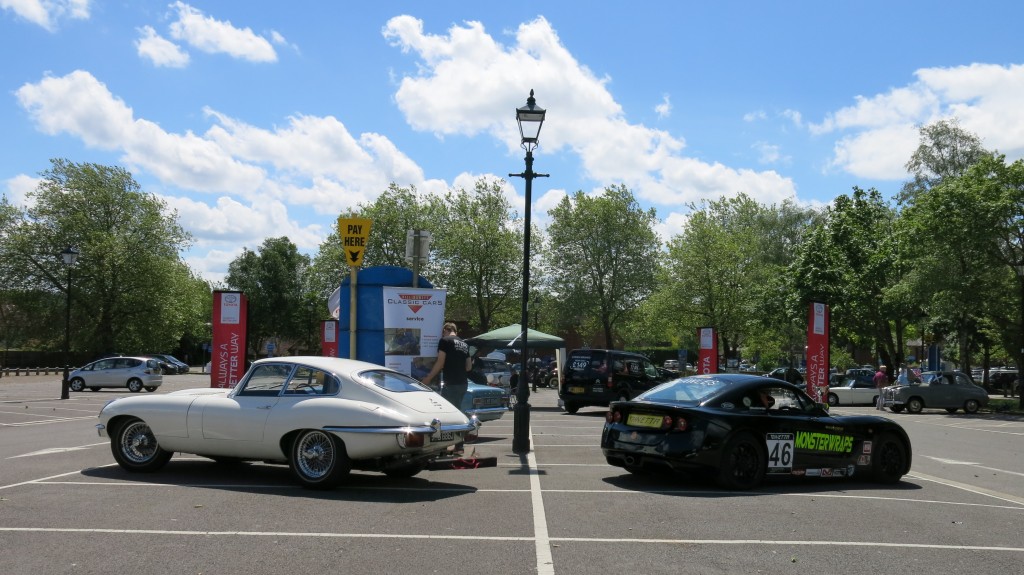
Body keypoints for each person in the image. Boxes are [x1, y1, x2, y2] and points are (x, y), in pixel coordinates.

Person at [420, 322, 472, 411]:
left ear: (445, 330)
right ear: (455, 332)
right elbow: (469, 367)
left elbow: (440, 362)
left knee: (448, 411)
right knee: (458, 410)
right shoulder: (465, 344)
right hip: (463, 384)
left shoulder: (445, 340)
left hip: (451, 383)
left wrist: (428, 378)